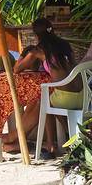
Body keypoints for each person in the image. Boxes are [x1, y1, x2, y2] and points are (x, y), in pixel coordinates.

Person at [5, 17, 75, 155]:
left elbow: (16, 69)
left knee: (41, 99)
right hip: (80, 93)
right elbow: (73, 66)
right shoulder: (65, 45)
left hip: (65, 97)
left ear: (36, 35)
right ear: (52, 30)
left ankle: (16, 137)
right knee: (40, 99)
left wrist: (25, 53)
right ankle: (40, 143)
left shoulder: (39, 50)